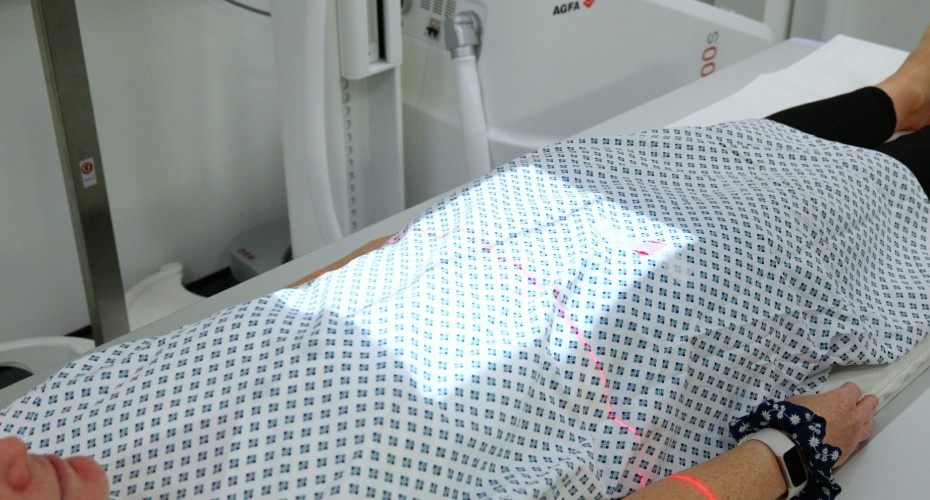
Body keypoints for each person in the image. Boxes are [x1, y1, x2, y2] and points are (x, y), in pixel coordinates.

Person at [3, 26, 930, 500]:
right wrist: (776, 456)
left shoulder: (35, 424)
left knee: (609, 173)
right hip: (592, 365)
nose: (13, 463)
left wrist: (396, 255)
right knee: (741, 248)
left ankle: (899, 97)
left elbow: (249, 336)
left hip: (447, 278)